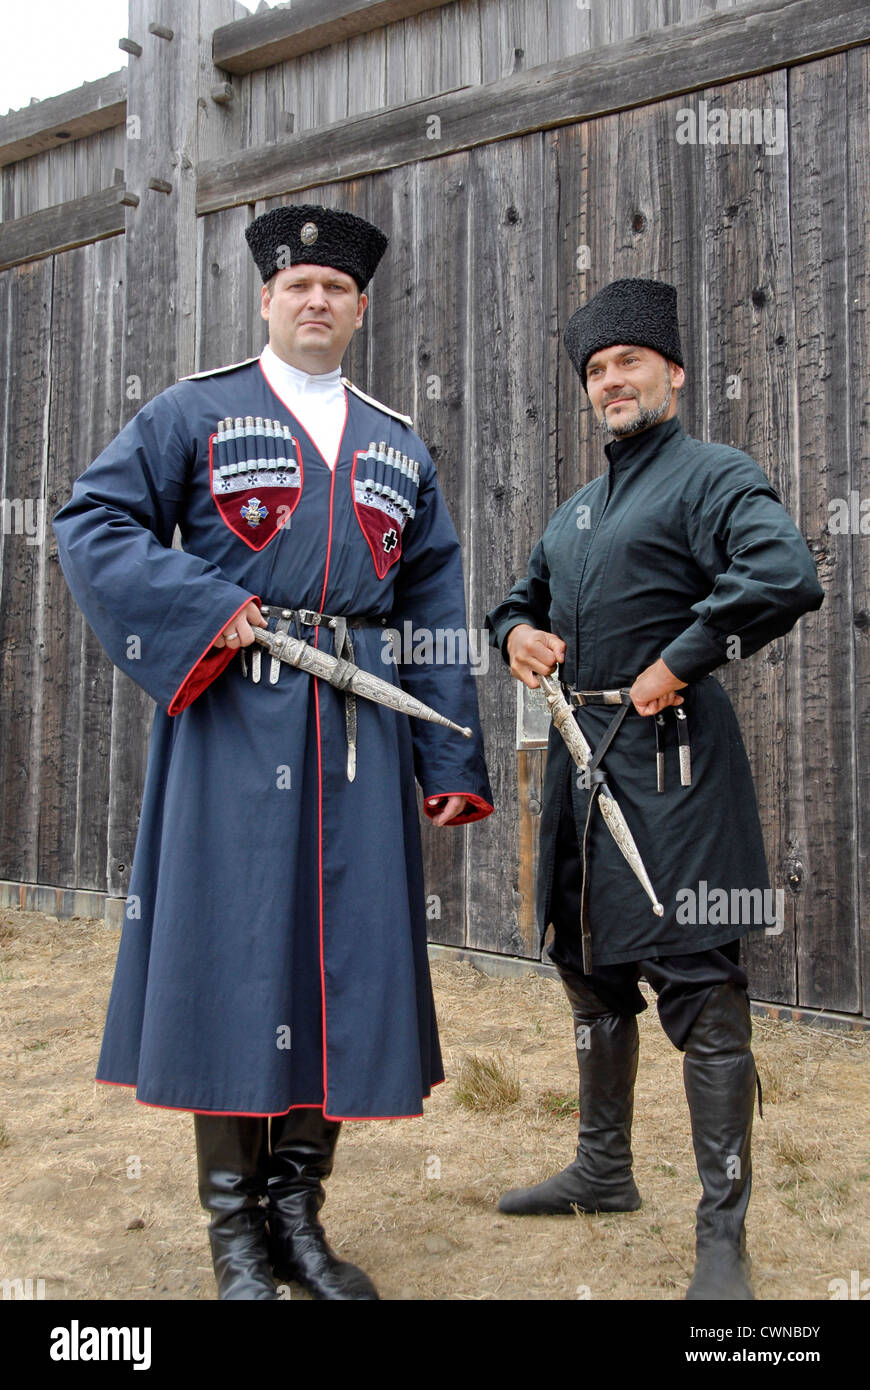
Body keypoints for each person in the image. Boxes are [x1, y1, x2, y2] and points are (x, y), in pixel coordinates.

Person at [54, 204, 493, 1301]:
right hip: (233, 724)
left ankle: (299, 1216)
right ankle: (232, 1233)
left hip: (360, 734)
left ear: (357, 308)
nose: (315, 301)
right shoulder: (192, 412)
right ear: (266, 297)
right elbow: (92, 522)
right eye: (297, 284)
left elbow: (433, 597)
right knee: (239, 961)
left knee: (340, 967)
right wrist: (212, 609)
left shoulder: (397, 443)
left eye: (336, 289)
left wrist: (450, 759)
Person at [485, 277, 824, 1300]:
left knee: (702, 998)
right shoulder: (577, 513)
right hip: (582, 776)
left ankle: (722, 1239)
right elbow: (516, 595)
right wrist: (515, 634)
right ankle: (603, 1168)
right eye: (596, 370)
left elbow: (785, 574)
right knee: (589, 972)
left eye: (629, 361)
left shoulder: (715, 476)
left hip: (674, 769)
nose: (611, 381)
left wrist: (681, 657)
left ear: (673, 371)